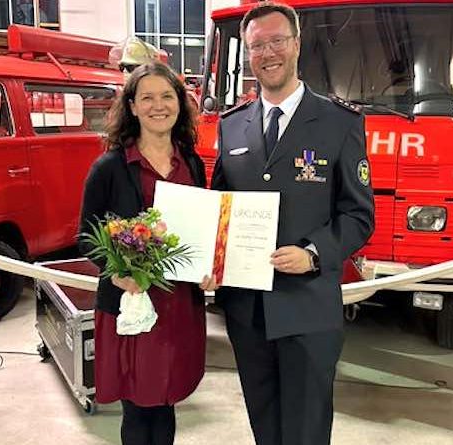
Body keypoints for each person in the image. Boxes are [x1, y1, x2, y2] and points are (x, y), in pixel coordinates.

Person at [210, 3, 375, 445]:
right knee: (265, 425)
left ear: (297, 44)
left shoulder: (339, 123)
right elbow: (219, 210)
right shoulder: (232, 126)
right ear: (248, 54)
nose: (268, 53)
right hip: (248, 312)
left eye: (277, 40)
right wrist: (211, 258)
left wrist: (314, 254)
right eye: (257, 45)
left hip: (308, 309)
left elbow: (359, 215)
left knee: (305, 430)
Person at [78, 62, 218, 445]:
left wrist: (210, 265)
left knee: (168, 401)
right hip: (133, 305)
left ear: (180, 104)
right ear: (133, 107)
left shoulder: (190, 162)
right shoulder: (108, 167)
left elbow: (202, 227)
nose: (159, 106)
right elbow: (86, 236)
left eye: (167, 96)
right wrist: (116, 271)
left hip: (180, 305)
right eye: (148, 98)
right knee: (139, 408)